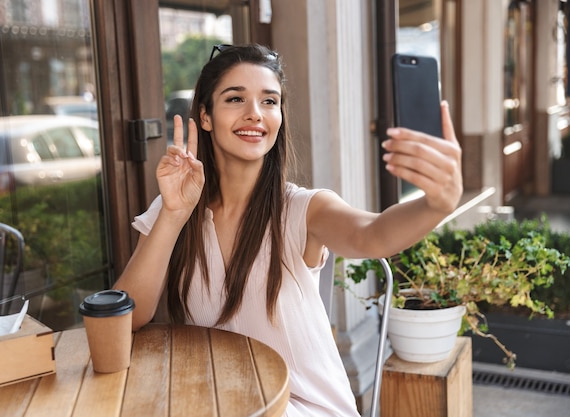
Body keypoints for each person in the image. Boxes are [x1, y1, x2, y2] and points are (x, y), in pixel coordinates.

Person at [113, 44, 462, 416]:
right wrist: (173, 214)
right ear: (206, 116)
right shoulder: (174, 205)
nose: (254, 114)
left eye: (269, 101)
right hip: (222, 404)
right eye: (235, 99)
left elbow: (371, 235)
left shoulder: (303, 208)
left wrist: (436, 204)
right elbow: (126, 318)